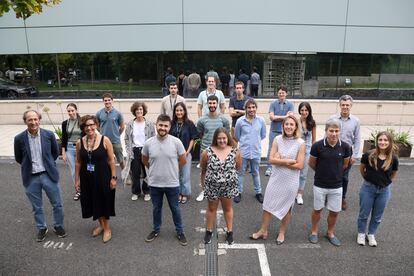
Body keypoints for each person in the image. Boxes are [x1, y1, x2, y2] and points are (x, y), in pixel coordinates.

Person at [250, 115, 305, 244]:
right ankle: (263, 230)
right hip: (276, 179)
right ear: (283, 126)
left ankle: (281, 232)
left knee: (287, 208)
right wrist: (287, 161)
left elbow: (300, 165)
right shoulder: (277, 139)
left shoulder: (300, 143)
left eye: (292, 124)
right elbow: (271, 160)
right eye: (286, 124)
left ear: (296, 126)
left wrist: (279, 160)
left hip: (291, 181)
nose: (289, 127)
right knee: (267, 204)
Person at [14, 110, 66, 242]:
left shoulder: (48, 135)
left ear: (39, 120)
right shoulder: (19, 138)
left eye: (35, 119)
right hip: (31, 177)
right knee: (37, 207)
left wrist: (48, 166)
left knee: (57, 204)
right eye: (30, 120)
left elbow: (54, 153)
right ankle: (42, 228)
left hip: (48, 175)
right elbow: (19, 158)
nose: (33, 122)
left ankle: (58, 226)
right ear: (25, 121)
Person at [142, 114, 188, 246]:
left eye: (165, 126)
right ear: (156, 125)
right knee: (156, 208)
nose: (163, 128)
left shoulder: (176, 142)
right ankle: (156, 230)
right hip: (155, 183)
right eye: (160, 125)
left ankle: (180, 231)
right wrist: (153, 169)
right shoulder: (149, 143)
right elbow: (144, 159)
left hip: (172, 183)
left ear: (169, 127)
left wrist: (173, 169)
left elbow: (183, 160)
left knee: (175, 208)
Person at [308, 118, 351, 247]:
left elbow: (345, 164)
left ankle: (330, 233)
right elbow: (312, 163)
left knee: (334, 211)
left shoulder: (345, 147)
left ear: (340, 132)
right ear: (326, 131)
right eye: (331, 131)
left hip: (337, 186)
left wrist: (335, 173)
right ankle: (314, 231)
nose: (334, 133)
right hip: (320, 184)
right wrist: (322, 172)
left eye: (336, 131)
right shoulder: (317, 146)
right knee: (317, 210)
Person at [75, 115, 117, 243]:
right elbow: (78, 162)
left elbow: (111, 160)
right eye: (86, 126)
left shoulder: (105, 140)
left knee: (103, 201)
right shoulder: (79, 142)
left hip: (103, 177)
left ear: (96, 125)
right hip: (86, 177)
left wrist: (114, 177)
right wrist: (77, 180)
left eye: (92, 124)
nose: (89, 128)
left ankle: (107, 229)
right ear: (83, 128)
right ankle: (101, 225)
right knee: (93, 201)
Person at [357, 131, 399, 247]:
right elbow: (362, 169)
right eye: (380, 140)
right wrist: (368, 180)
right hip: (368, 188)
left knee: (377, 216)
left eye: (385, 140)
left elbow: (394, 173)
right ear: (377, 141)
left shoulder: (394, 158)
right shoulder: (368, 155)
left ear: (390, 142)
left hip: (384, 190)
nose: (383, 142)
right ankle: (361, 233)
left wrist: (387, 182)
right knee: (364, 214)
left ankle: (371, 234)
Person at [201, 128, 241, 245]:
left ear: (227, 138)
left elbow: (238, 167)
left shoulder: (235, 152)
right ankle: (208, 231)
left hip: (228, 187)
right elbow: (203, 169)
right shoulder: (207, 152)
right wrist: (204, 186)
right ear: (215, 139)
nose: (222, 140)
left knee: (227, 209)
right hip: (212, 186)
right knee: (211, 209)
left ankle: (229, 232)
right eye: (219, 138)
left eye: (224, 138)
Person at [196, 95, 231, 201]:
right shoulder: (202, 120)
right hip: (205, 150)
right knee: (204, 171)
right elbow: (200, 134)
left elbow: (226, 135)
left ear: (217, 104)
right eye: (210, 103)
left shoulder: (223, 119)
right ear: (207, 104)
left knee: (222, 171)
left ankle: (220, 191)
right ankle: (203, 191)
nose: (212, 105)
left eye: (214, 103)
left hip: (220, 150)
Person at [331, 94, 361, 210]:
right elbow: (327, 135)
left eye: (347, 105)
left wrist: (355, 155)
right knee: (332, 174)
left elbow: (357, 139)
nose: (345, 107)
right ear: (340, 105)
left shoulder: (356, 121)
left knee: (344, 177)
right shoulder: (332, 118)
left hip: (347, 153)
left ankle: (342, 198)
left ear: (351, 106)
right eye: (343, 105)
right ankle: (331, 195)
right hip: (333, 151)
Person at [234, 98, 266, 203]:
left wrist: (254, 142)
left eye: (253, 107)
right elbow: (237, 136)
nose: (251, 109)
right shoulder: (240, 121)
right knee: (240, 172)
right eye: (249, 107)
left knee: (255, 172)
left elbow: (262, 135)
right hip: (243, 152)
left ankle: (258, 192)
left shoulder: (261, 120)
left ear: (256, 108)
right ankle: (238, 192)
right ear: (246, 109)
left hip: (256, 152)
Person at [124, 101, 155, 202]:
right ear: (134, 111)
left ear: (144, 111)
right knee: (135, 173)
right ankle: (136, 192)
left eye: (141, 109)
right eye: (137, 109)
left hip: (146, 151)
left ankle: (147, 192)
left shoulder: (149, 124)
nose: (139, 111)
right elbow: (126, 139)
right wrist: (129, 151)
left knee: (147, 172)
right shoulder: (130, 124)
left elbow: (154, 138)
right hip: (134, 151)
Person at [170, 102, 199, 204]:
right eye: (177, 110)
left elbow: (193, 138)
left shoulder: (189, 123)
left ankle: (185, 193)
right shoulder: (171, 123)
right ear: (174, 112)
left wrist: (187, 151)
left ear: (184, 111)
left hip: (186, 153)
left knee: (185, 175)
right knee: (176, 175)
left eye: (181, 110)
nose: (179, 112)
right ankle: (177, 193)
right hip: (173, 155)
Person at [266, 85, 294, 176]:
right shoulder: (273, 104)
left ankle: (282, 166)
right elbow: (271, 117)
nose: (281, 94)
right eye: (279, 92)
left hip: (285, 131)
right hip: (274, 130)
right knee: (271, 148)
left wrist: (277, 117)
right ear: (277, 93)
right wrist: (284, 117)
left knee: (285, 149)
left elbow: (290, 117)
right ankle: (269, 168)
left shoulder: (290, 104)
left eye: (283, 92)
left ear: (286, 93)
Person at [96, 93, 126, 170]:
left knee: (121, 160)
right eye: (105, 100)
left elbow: (122, 126)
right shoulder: (99, 113)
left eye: (109, 100)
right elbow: (97, 125)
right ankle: (109, 176)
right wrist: (102, 133)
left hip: (115, 141)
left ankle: (126, 176)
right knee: (106, 160)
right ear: (103, 101)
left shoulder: (118, 113)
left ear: (112, 101)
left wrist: (117, 134)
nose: (107, 102)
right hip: (103, 141)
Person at [61, 103, 82, 201]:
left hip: (81, 148)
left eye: (72, 110)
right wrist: (63, 152)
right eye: (69, 111)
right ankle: (78, 190)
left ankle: (86, 189)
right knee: (74, 171)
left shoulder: (82, 121)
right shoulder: (65, 123)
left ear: (76, 110)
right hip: (69, 148)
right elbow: (64, 138)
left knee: (84, 169)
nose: (71, 113)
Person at [296, 102, 316, 205]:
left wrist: (313, 152)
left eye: (306, 110)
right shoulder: (296, 121)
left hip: (308, 149)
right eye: (302, 110)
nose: (304, 112)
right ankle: (292, 192)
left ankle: (300, 194)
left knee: (303, 173)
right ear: (299, 111)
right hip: (297, 148)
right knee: (295, 171)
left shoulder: (312, 123)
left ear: (309, 111)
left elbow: (314, 140)